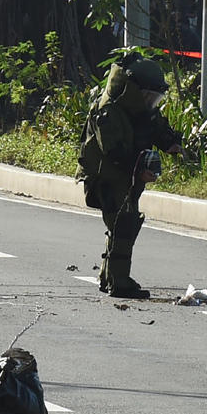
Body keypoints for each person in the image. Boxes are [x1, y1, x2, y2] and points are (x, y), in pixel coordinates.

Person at [77, 54, 182, 299]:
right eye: (148, 96)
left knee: (121, 226)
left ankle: (108, 277)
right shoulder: (109, 111)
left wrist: (170, 143)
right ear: (134, 90)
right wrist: (138, 168)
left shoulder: (138, 109)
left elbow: (154, 127)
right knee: (123, 226)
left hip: (127, 178)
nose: (151, 102)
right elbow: (114, 152)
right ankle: (119, 282)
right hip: (108, 178)